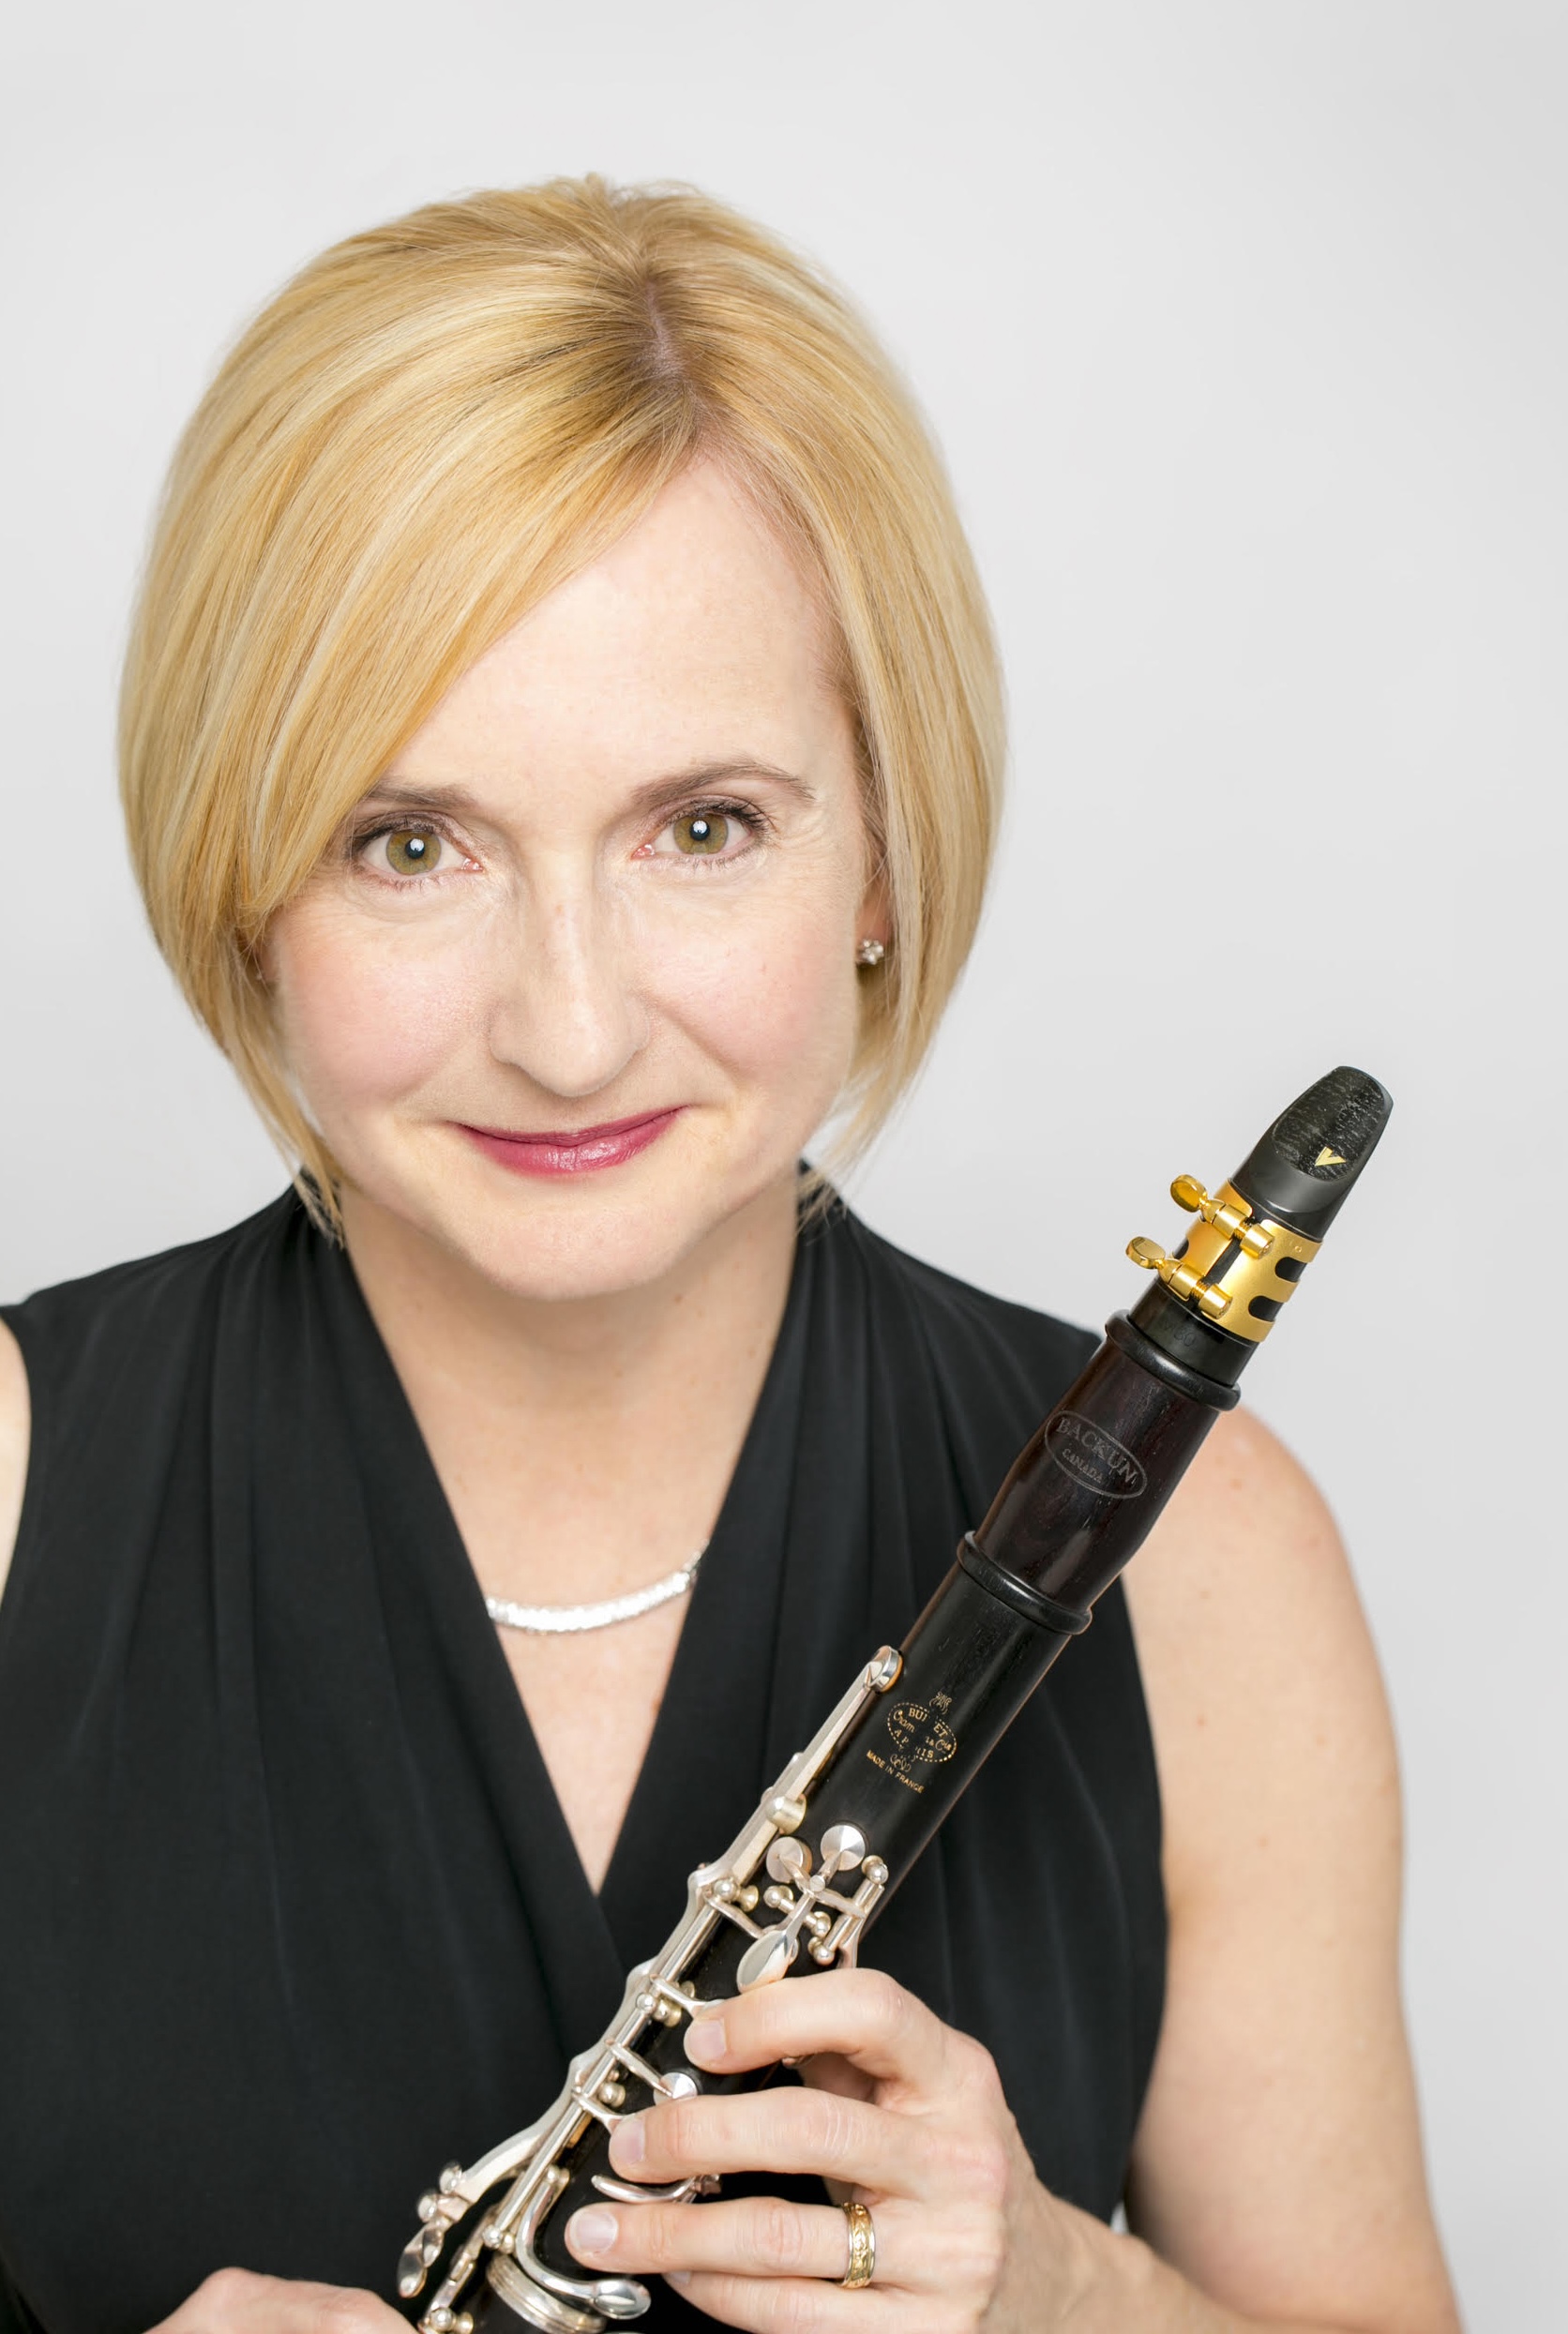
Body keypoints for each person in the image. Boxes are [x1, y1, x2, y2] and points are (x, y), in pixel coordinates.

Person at [0, 178, 1457, 2334]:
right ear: (242, 881)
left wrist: (1056, 2293)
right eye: (407, 843)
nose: (569, 1025)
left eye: (703, 829)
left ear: (878, 849)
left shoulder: (1207, 1563)